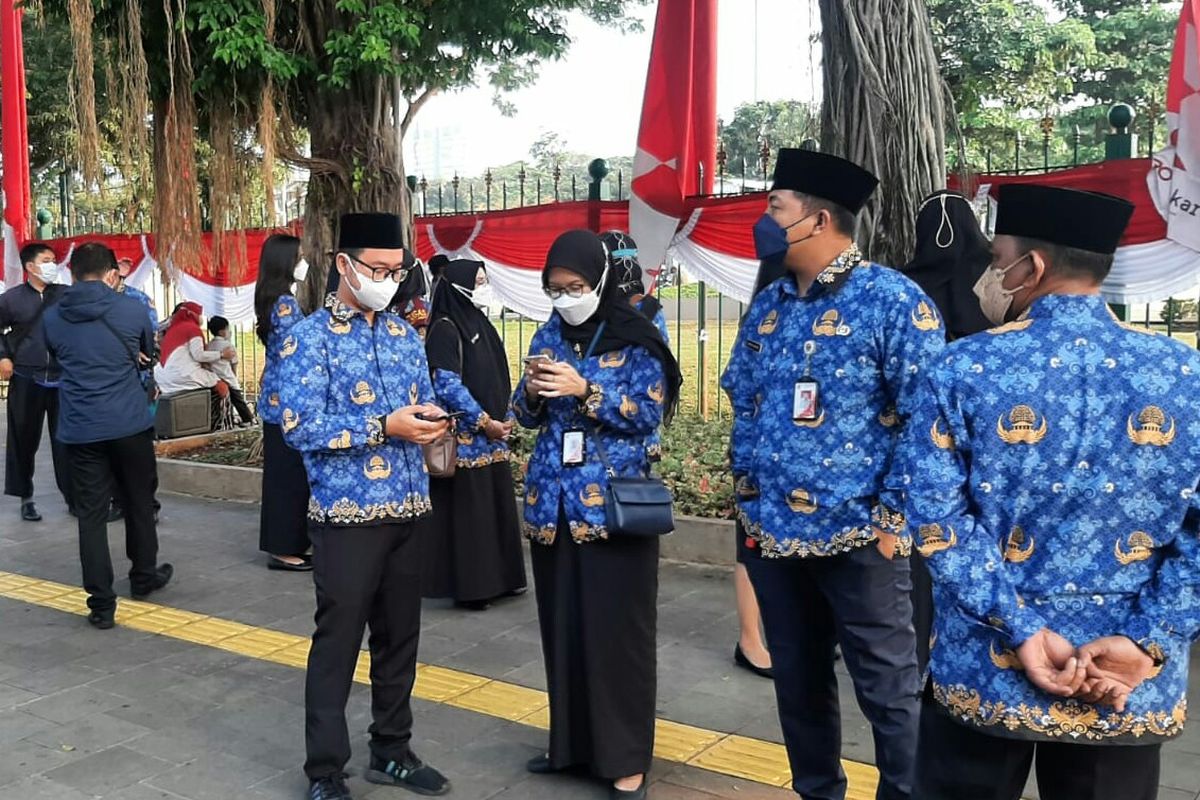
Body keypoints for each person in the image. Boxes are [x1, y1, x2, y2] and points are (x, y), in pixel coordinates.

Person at [900, 184, 1199, 800]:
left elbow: (934, 518)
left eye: (995, 258)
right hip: (1123, 680)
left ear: (1029, 267)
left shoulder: (962, 368)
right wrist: (1151, 639)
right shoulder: (1185, 374)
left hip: (987, 665)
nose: (988, 274)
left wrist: (1020, 627)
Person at [720, 148, 945, 800]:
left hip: (859, 542)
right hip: (774, 538)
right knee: (798, 683)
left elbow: (929, 422)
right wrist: (749, 498)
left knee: (889, 692)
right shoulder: (769, 306)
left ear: (817, 220)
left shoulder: (893, 302)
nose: (764, 219)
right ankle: (818, 791)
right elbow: (741, 394)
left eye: (774, 207)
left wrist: (891, 524)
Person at [279, 212, 451, 800]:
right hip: (347, 518)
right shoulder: (307, 339)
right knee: (338, 642)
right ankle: (325, 771)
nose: (387, 280)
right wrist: (384, 425)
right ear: (343, 265)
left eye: (396, 271)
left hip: (409, 510)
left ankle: (392, 750)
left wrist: (432, 424)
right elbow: (299, 427)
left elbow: (421, 404)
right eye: (376, 269)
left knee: (400, 638)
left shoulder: (405, 336)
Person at [512, 229, 682, 800]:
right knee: (563, 630)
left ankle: (624, 754)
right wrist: (534, 393)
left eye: (576, 286)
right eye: (555, 289)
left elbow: (648, 412)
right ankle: (570, 746)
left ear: (601, 280)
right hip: (552, 506)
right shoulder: (548, 332)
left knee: (618, 636)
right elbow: (523, 413)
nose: (565, 298)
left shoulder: (638, 335)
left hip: (612, 509)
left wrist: (586, 390)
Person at [42, 243, 172, 629]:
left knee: (91, 516)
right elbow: (148, 351)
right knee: (138, 501)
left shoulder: (52, 317)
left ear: (72, 273)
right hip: (129, 423)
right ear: (112, 273)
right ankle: (143, 577)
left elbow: (56, 355)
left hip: (80, 428)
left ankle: (100, 603)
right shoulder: (132, 309)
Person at [899, 190, 995, 676]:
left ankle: (918, 656)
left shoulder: (906, 287)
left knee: (927, 547)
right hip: (988, 439)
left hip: (924, 442)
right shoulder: (990, 282)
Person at [421, 259, 526, 609]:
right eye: (477, 282)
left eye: (484, 281)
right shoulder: (446, 329)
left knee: (495, 510)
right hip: (469, 441)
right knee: (473, 516)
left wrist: (507, 415)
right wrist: (484, 421)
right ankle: (474, 587)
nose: (484, 289)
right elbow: (447, 385)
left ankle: (504, 579)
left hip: (494, 437)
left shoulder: (481, 323)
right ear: (459, 287)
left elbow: (499, 374)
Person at [0, 243, 72, 521]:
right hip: (26, 377)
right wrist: (4, 356)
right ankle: (25, 498)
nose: (53, 264)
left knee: (65, 440)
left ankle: (73, 497)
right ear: (30, 267)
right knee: (22, 440)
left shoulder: (65, 295)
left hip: (62, 378)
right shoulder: (11, 300)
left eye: (54, 260)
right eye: (47, 260)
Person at [254, 234, 312, 572]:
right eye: (299, 256)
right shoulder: (285, 304)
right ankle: (282, 548)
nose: (303, 261)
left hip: (277, 398)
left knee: (285, 475)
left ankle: (289, 542)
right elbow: (299, 349)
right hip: (286, 401)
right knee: (287, 478)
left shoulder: (271, 298)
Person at [154, 301, 235, 430]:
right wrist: (221, 354)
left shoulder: (172, 329)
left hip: (164, 378)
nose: (201, 318)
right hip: (184, 375)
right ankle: (222, 425)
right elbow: (198, 355)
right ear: (192, 314)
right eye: (199, 314)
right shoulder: (192, 329)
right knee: (222, 388)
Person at [205, 316, 254, 425]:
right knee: (238, 400)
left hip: (216, 379)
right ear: (222, 332)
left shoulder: (209, 345)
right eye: (228, 329)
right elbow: (234, 362)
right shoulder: (228, 345)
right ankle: (248, 419)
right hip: (228, 377)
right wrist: (234, 375)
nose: (229, 332)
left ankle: (226, 419)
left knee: (220, 402)